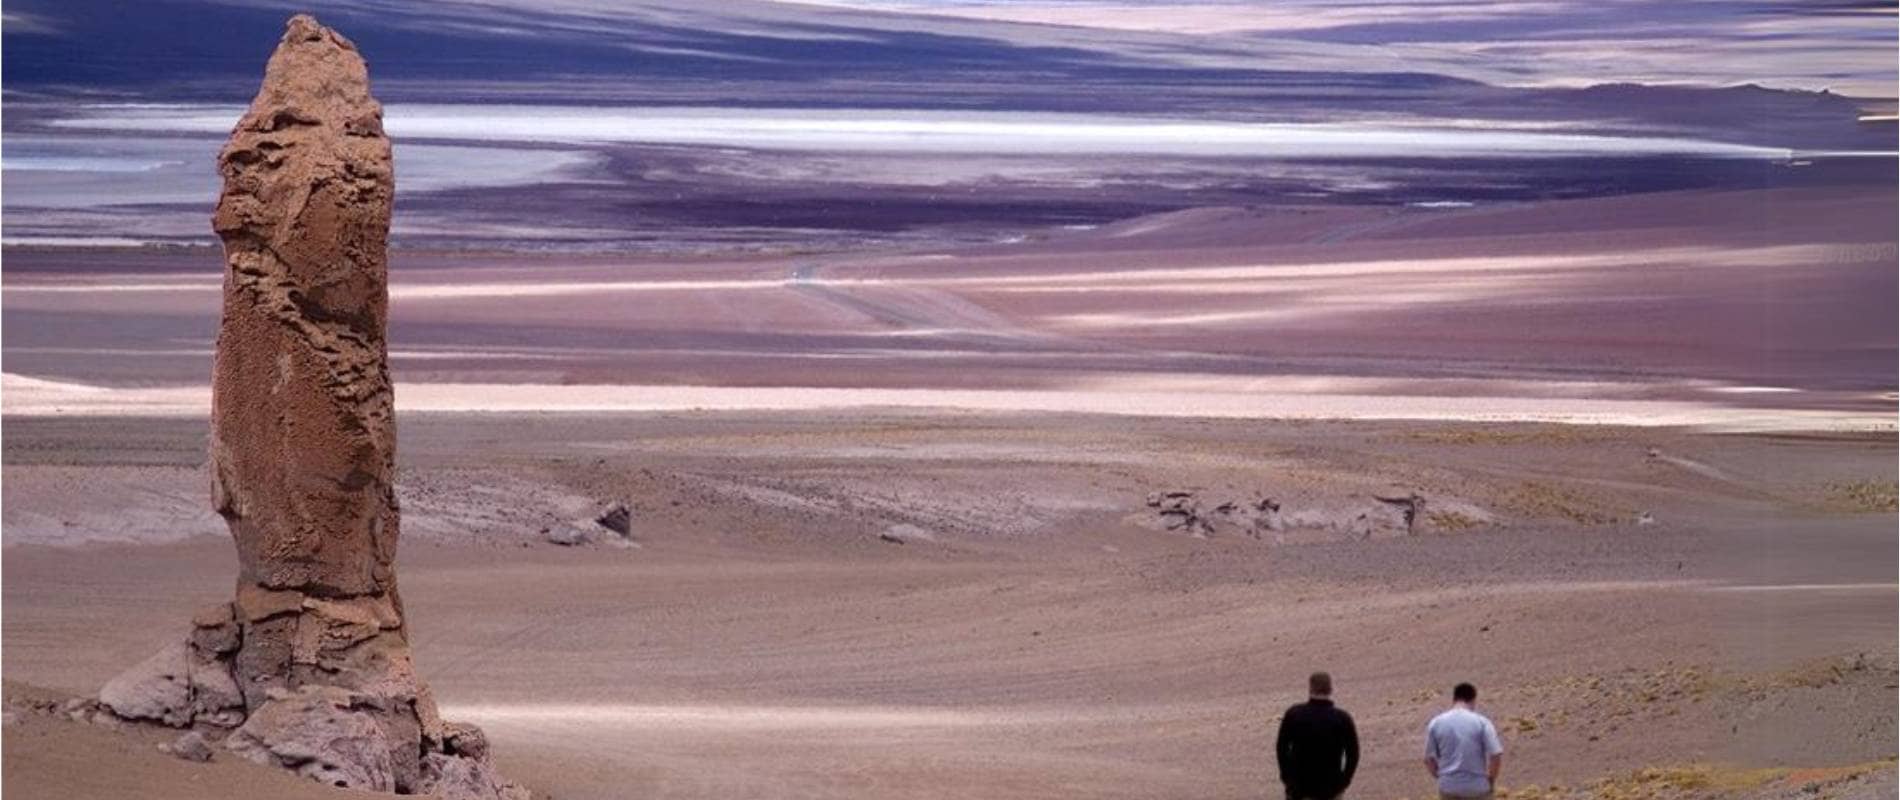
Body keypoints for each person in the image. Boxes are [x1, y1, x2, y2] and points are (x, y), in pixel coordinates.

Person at [1275, 671, 1360, 800]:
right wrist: (1344, 782)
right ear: (1330, 689)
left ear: (1310, 688)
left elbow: (1282, 748)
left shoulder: (1294, 715)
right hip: (1330, 787)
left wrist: (1287, 778)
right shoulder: (1342, 719)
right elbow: (1353, 754)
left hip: (1299, 787)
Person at [1423, 682, 1504, 799]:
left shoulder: (1436, 722)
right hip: (1477, 786)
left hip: (1448, 786)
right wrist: (1490, 780)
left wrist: (1442, 777)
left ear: (1454, 699)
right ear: (1473, 699)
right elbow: (1495, 754)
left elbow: (1428, 759)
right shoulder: (1482, 722)